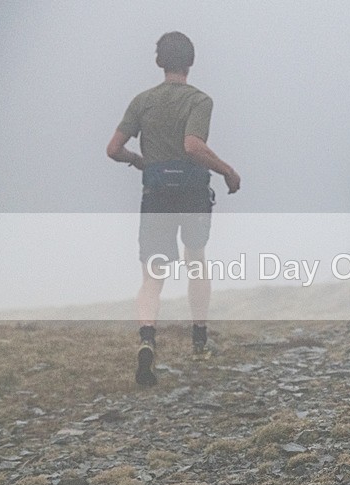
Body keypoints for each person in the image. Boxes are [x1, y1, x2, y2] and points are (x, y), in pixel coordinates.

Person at [106, 31, 241, 386]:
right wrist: (227, 170)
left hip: (156, 192)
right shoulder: (199, 101)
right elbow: (193, 145)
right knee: (195, 259)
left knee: (153, 272)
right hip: (192, 191)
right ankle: (199, 341)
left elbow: (113, 148)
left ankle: (148, 339)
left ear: (158, 61)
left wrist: (138, 160)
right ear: (191, 62)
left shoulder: (142, 102)